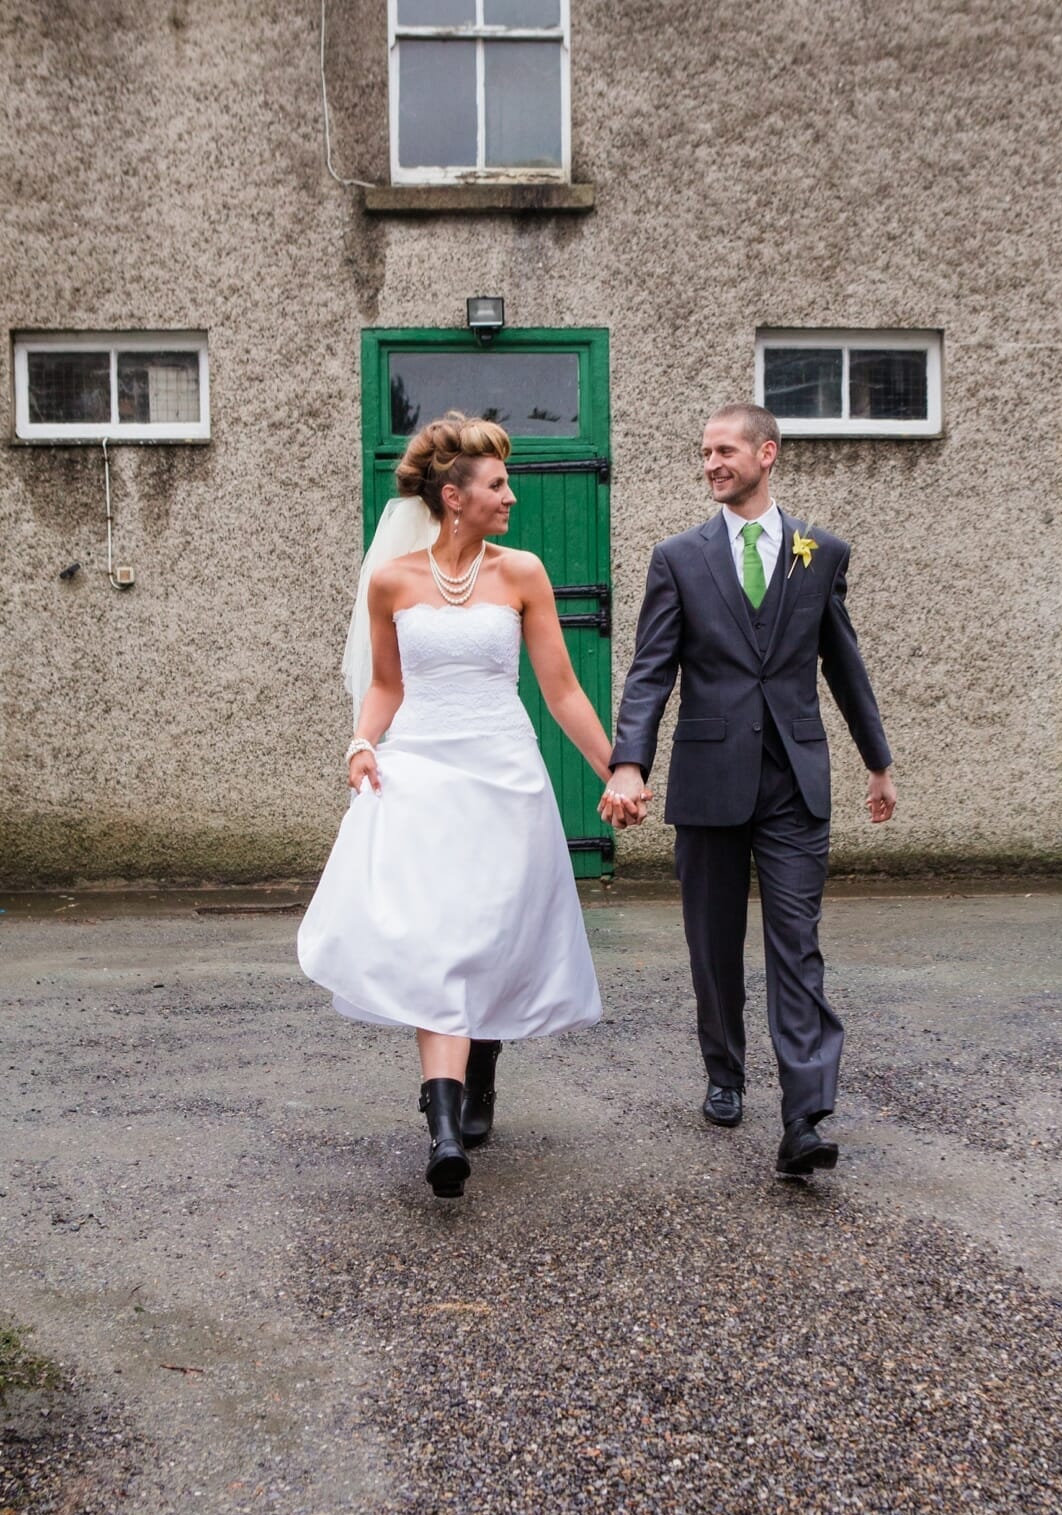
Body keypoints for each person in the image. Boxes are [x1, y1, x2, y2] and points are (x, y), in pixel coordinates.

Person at [298, 412, 614, 1199]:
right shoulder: (393, 581)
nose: (512, 494)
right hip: (420, 774)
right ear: (453, 496)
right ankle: (443, 1126)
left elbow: (563, 689)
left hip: (504, 775)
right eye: (498, 483)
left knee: (488, 936)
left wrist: (622, 769)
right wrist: (360, 743)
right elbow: (386, 685)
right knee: (438, 940)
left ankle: (482, 1072)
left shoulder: (523, 575)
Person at [601, 402, 897, 1180]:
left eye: (724, 450)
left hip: (794, 780)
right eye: (704, 453)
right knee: (713, 942)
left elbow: (845, 663)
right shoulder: (678, 558)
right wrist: (629, 762)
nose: (710, 464)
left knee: (796, 945)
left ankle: (804, 1115)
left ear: (767, 453)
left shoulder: (820, 553)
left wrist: (878, 760)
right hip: (708, 778)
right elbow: (649, 671)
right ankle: (725, 1071)